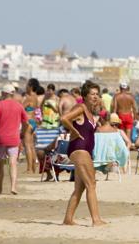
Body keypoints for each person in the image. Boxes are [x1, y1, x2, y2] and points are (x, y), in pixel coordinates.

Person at [61, 80, 106, 226]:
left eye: (97, 94)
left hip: (84, 150)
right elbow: (64, 118)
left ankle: (68, 219)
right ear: (85, 96)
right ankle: (96, 220)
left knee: (79, 188)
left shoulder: (90, 112)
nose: (95, 97)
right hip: (79, 149)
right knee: (91, 184)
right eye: (92, 94)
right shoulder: (80, 107)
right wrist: (73, 130)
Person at [0, 84, 29, 194]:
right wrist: (22, 133)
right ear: (12, 94)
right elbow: (26, 123)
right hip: (14, 138)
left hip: (0, 138)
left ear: (4, 93)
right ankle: (13, 187)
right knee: (13, 163)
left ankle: (0, 188)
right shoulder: (19, 106)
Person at [23, 78, 41, 173]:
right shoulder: (35, 97)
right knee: (32, 146)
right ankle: (33, 168)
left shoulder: (29, 98)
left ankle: (29, 168)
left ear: (30, 86)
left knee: (27, 145)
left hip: (28, 122)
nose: (25, 87)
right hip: (33, 122)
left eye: (27, 85)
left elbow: (21, 109)